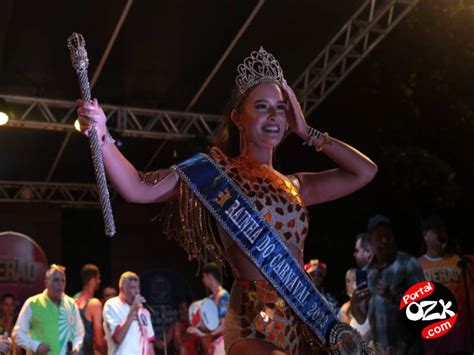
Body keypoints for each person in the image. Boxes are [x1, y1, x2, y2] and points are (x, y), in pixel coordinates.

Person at [76, 47, 377, 354]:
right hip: (251, 321)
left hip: (300, 319)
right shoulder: (213, 175)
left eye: (280, 107)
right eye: (261, 107)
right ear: (237, 117)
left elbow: (365, 172)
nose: (274, 116)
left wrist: (307, 131)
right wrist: (101, 133)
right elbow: (137, 187)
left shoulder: (296, 185)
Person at [351, 215, 424, 355]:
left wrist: (394, 296)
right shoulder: (365, 273)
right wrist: (354, 304)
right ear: (370, 240)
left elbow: (424, 307)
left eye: (388, 236)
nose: (384, 241)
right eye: (379, 237)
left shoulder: (408, 263)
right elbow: (361, 318)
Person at [418, 215, 474, 354]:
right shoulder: (415, 266)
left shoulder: (463, 262)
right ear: (425, 235)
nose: (442, 235)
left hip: (463, 344)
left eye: (444, 231)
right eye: (437, 231)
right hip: (434, 346)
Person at [13, 264, 84, 355]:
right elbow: (17, 334)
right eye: (56, 280)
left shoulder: (71, 304)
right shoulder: (33, 303)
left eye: (63, 280)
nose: (60, 284)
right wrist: (35, 346)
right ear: (46, 282)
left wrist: (75, 347)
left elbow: (79, 332)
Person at [103, 271, 155, 355]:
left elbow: (149, 344)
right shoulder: (111, 305)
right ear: (121, 289)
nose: (136, 292)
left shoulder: (143, 309)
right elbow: (117, 338)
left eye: (137, 287)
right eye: (132, 288)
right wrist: (133, 310)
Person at [187, 263, 229, 355]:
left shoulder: (223, 296)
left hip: (222, 343)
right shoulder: (210, 299)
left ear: (209, 276)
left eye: (203, 276)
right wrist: (196, 328)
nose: (202, 280)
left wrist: (205, 335)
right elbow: (207, 324)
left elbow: (224, 326)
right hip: (211, 343)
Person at [74, 264, 107, 355]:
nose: (100, 281)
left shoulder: (73, 300)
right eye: (98, 278)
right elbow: (99, 342)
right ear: (93, 281)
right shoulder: (94, 304)